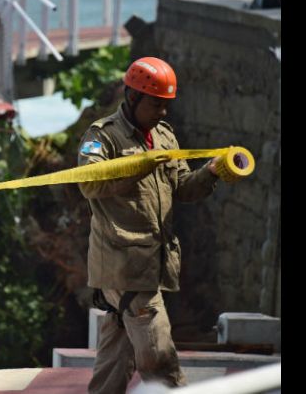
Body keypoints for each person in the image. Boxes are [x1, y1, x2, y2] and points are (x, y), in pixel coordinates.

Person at [77, 56, 222, 393]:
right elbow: (89, 183)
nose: (163, 112)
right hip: (123, 266)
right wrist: (137, 165)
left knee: (116, 358)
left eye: (166, 105)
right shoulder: (103, 137)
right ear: (132, 98)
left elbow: (183, 187)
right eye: (157, 104)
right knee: (160, 358)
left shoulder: (166, 136)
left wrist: (212, 173)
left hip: (151, 265)